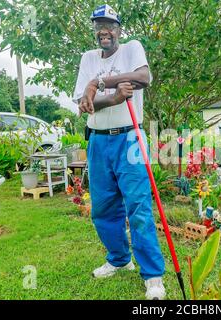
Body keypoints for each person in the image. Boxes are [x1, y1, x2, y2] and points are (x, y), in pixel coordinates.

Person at [73, 4, 166, 300]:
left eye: (110, 25)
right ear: (95, 30)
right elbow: (84, 105)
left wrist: (97, 83)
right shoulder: (88, 58)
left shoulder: (132, 48)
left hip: (130, 139)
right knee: (102, 208)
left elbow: (142, 78)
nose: (105, 31)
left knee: (138, 207)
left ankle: (152, 276)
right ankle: (119, 259)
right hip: (98, 140)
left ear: (119, 30)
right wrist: (111, 96)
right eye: (99, 25)